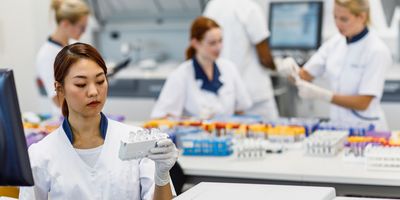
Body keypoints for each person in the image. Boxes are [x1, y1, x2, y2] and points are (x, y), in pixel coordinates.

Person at [19, 43, 178, 199]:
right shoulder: (40, 155)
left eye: (100, 81)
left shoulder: (135, 141)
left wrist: (162, 175)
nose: (94, 92)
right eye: (81, 84)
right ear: (60, 88)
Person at [294, 0, 392, 130]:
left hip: (367, 129)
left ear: (362, 17)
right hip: (338, 126)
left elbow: (363, 103)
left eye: (344, 19)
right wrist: (289, 69)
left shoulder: (377, 50)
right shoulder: (334, 43)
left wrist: (323, 95)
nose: (338, 24)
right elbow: (304, 75)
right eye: (335, 17)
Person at [203, 0, 296, 120]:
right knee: (271, 135)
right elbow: (265, 58)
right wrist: (280, 65)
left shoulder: (212, 6)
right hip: (255, 96)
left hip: (225, 94)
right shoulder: (249, 9)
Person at [151, 16, 253, 119]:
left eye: (220, 41)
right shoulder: (181, 75)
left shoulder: (229, 68)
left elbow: (242, 108)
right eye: (212, 43)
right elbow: (161, 117)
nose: (218, 47)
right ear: (195, 43)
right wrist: (192, 122)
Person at [36, 0, 90, 115]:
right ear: (65, 24)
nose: (84, 32)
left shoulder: (74, 45)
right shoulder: (47, 55)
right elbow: (58, 100)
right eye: (81, 27)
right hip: (68, 118)